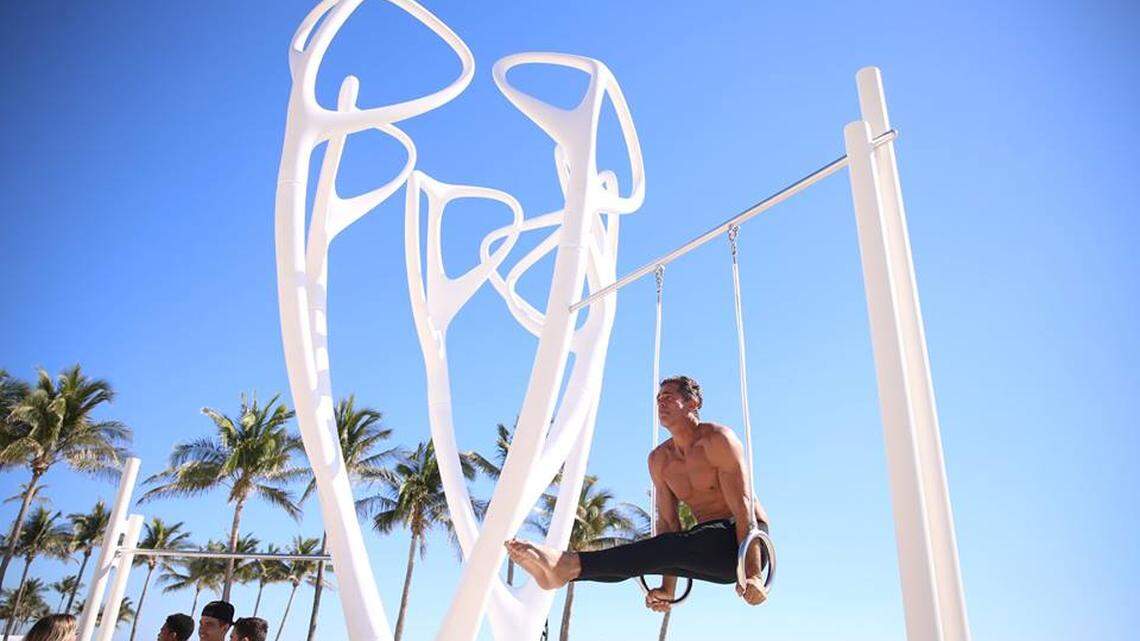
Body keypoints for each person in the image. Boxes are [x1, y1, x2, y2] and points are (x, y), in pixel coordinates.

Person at [506, 375, 771, 612]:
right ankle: (568, 570)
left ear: (693, 404)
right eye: (658, 399)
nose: (661, 403)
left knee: (672, 546)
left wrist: (754, 575)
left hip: (742, 542)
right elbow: (668, 525)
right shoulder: (660, 460)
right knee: (647, 554)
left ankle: (568, 565)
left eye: (669, 397)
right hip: (703, 543)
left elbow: (743, 507)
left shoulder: (717, 439)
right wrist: (668, 590)